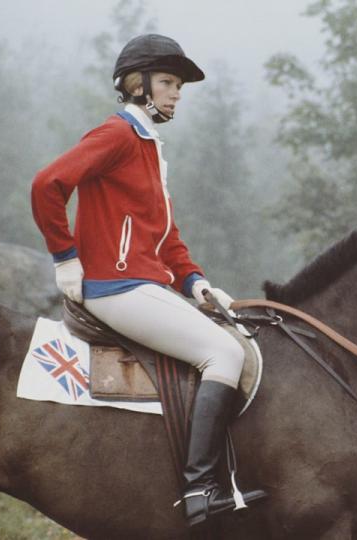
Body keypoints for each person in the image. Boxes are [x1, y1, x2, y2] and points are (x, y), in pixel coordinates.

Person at [30, 34, 267, 527]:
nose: (176, 93)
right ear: (135, 85)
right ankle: (200, 488)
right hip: (117, 289)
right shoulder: (116, 135)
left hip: (148, 286)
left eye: (178, 85)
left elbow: (167, 238)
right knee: (224, 353)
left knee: (235, 337)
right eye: (167, 82)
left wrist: (195, 281)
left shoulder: (148, 148)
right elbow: (46, 185)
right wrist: (65, 258)